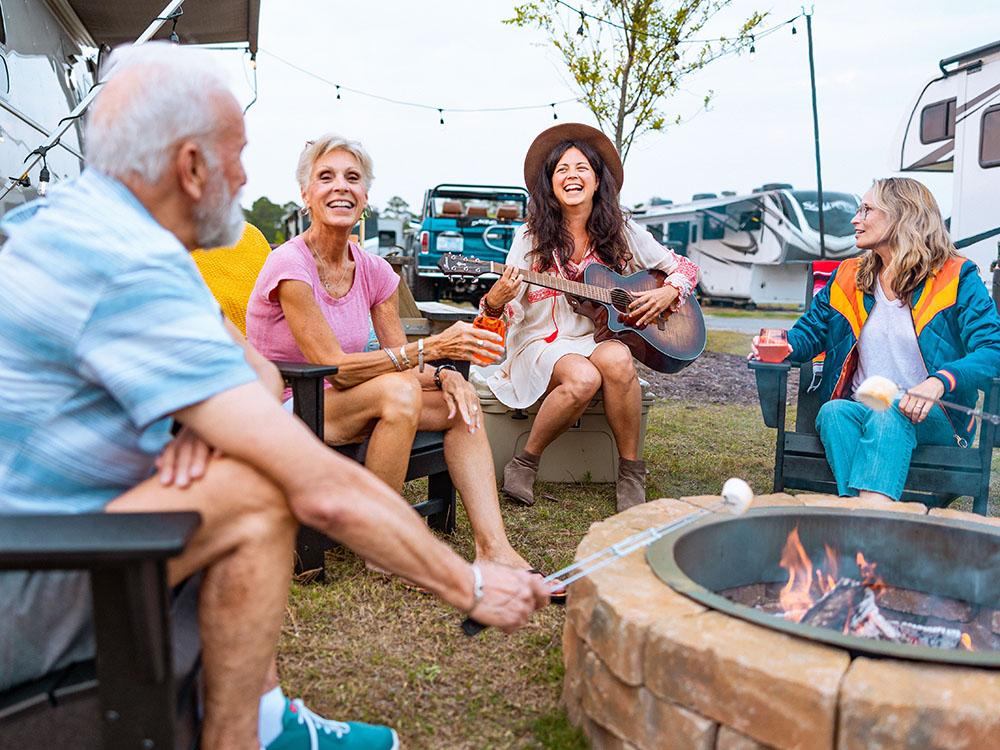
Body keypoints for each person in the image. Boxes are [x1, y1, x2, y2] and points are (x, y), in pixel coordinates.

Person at [0, 44, 548, 750]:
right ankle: (247, 735)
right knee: (257, 487)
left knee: (245, 466)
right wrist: (466, 587)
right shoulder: (126, 266)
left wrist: (209, 416)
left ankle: (254, 726)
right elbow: (319, 486)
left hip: (63, 536)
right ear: (192, 167)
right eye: (236, 155)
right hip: (26, 574)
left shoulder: (87, 224)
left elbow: (255, 367)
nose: (243, 176)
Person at [245, 135, 535, 574]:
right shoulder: (290, 266)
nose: (340, 186)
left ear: (365, 197)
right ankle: (383, 548)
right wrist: (433, 350)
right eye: (325, 177)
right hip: (289, 407)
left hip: (350, 401)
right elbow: (337, 370)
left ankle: (494, 549)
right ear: (305, 195)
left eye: (353, 178)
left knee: (463, 404)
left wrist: (443, 377)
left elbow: (402, 356)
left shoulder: (376, 271)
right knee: (399, 393)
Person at [480, 123, 699, 511]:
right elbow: (508, 312)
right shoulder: (529, 237)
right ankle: (524, 462)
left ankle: (631, 472)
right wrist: (496, 302)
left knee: (617, 360)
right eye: (561, 169)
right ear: (550, 184)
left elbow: (681, 267)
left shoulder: (621, 229)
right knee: (583, 377)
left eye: (582, 168)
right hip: (541, 339)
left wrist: (667, 291)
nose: (572, 176)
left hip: (593, 337)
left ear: (598, 180)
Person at [751, 177, 1000, 502]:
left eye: (867, 210)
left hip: (938, 417)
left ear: (902, 216)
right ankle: (867, 523)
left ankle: (869, 524)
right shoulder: (848, 276)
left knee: (890, 410)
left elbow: (993, 349)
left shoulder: (956, 276)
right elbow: (809, 333)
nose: (856, 219)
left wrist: (938, 382)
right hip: (862, 407)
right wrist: (782, 344)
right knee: (833, 413)